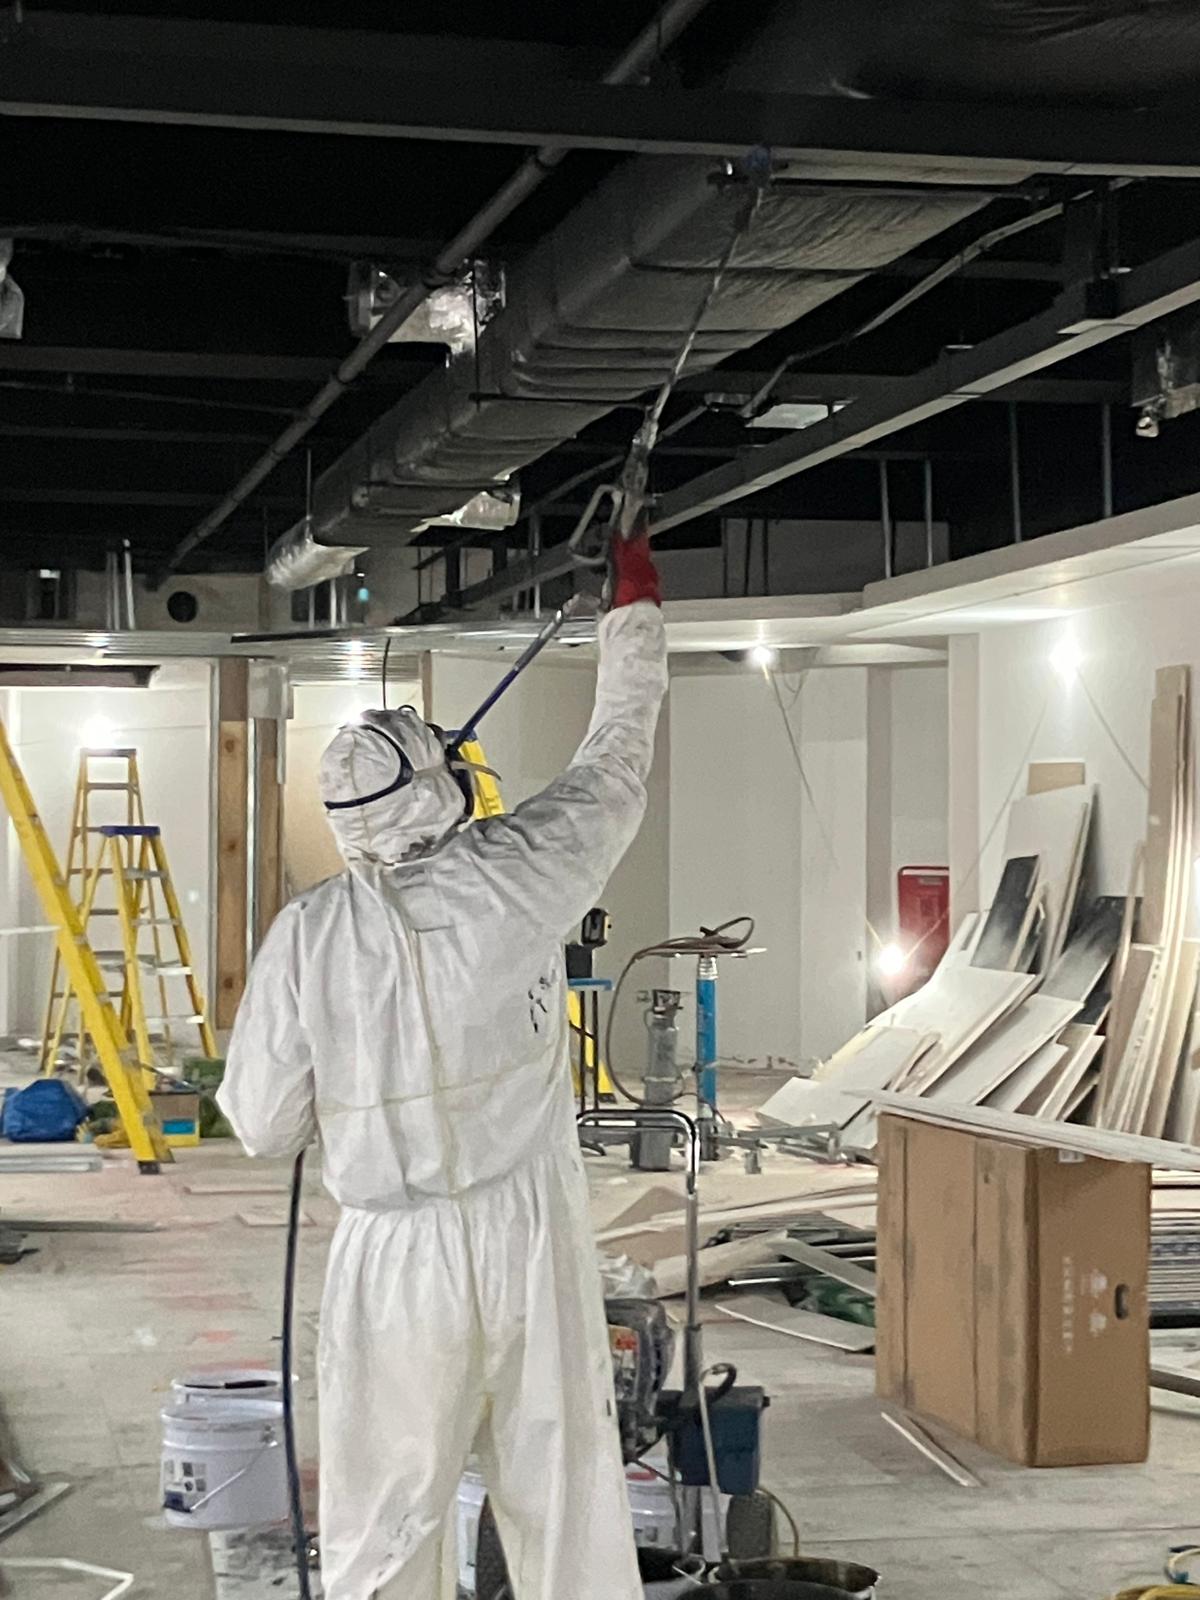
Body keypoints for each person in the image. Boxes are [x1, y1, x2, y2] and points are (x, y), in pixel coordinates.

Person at [218, 532, 667, 1600]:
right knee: (565, 1499)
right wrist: (633, 610)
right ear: (439, 789)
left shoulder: (308, 934)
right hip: (527, 1226)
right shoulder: (518, 874)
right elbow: (616, 762)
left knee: (385, 1517)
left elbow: (260, 1123)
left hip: (392, 1254)